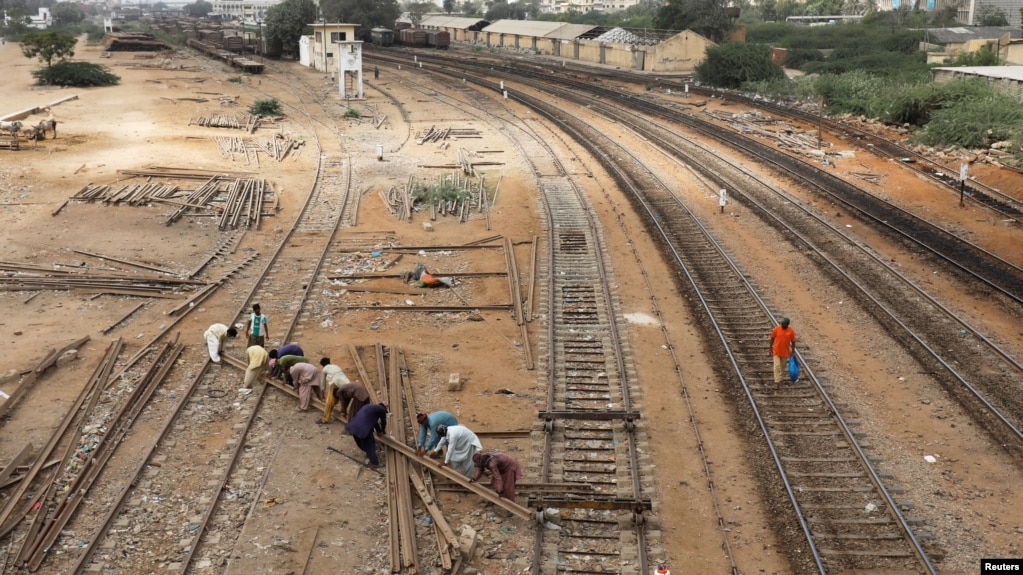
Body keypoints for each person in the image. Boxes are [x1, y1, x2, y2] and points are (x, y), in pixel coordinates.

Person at [345, 402, 389, 467]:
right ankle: (375, 463)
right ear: (385, 408)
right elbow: (383, 422)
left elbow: (374, 421)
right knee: (370, 445)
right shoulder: (381, 410)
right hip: (364, 429)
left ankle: (368, 453)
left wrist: (378, 431)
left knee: (360, 442)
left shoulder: (369, 406)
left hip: (354, 425)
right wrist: (382, 431)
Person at [319, 357, 352, 423]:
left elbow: (323, 383)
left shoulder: (325, 369)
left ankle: (325, 419)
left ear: (322, 365)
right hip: (347, 383)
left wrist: (322, 393)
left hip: (335, 384)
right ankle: (344, 413)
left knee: (329, 402)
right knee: (343, 399)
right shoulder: (336, 366)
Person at [770, 317, 797, 385]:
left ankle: (780, 379)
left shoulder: (791, 331)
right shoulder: (777, 329)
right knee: (777, 366)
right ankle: (777, 380)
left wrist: (793, 351)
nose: (782, 325)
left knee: (782, 366)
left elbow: (793, 342)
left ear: (787, 324)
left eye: (784, 324)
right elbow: (772, 338)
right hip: (776, 351)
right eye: (782, 323)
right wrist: (770, 348)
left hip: (785, 352)